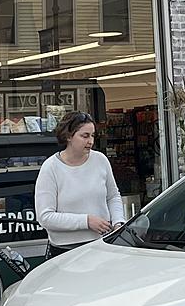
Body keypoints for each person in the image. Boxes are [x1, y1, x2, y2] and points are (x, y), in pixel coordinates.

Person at [35, 111, 124, 259]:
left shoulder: (100, 160)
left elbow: (113, 196)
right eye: (85, 136)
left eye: (93, 135)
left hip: (102, 245)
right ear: (69, 136)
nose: (91, 141)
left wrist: (118, 223)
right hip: (65, 252)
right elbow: (45, 217)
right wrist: (86, 221)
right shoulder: (50, 167)